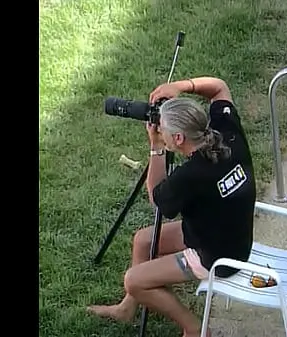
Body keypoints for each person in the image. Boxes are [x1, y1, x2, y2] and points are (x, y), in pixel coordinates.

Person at [87, 77, 257, 337]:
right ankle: (126, 309)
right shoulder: (227, 132)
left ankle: (194, 329)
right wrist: (183, 86)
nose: (160, 131)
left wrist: (155, 147)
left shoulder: (190, 176)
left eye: (163, 130)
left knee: (134, 281)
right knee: (143, 241)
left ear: (178, 138)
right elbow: (219, 87)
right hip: (230, 232)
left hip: (216, 256)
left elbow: (157, 198)